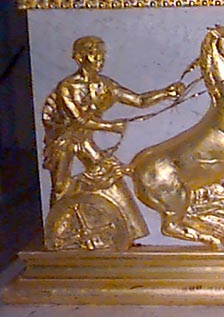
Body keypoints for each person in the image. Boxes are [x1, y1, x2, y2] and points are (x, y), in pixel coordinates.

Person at [43, 36, 184, 207]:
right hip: (63, 141)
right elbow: (79, 120)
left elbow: (139, 100)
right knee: (60, 186)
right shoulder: (67, 86)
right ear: (79, 57)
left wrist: (166, 93)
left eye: (101, 54)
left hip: (84, 140)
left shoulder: (106, 85)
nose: (99, 58)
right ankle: (57, 221)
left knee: (108, 173)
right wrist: (111, 126)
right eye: (93, 53)